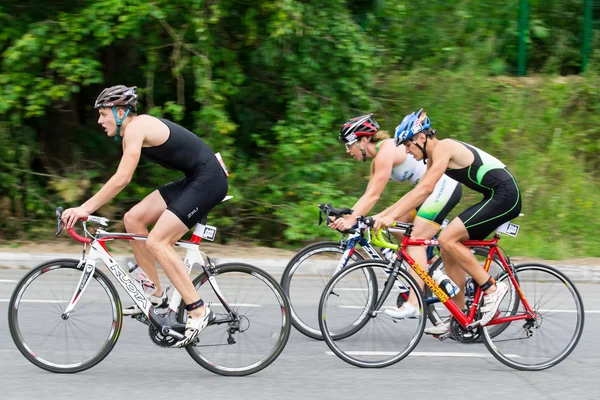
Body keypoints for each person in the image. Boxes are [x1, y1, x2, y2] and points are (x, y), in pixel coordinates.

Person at [61, 85, 229, 347]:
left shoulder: (136, 127)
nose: (99, 120)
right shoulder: (132, 132)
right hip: (195, 178)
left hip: (209, 180)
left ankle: (198, 309)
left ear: (119, 112)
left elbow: (122, 179)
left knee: (158, 242)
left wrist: (85, 208)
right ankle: (156, 295)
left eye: (103, 113)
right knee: (134, 218)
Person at [373, 109, 521, 334]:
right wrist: (386, 215)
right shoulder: (433, 156)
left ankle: (492, 288)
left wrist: (390, 216)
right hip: (494, 196)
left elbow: (425, 189)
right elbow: (418, 196)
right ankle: (459, 317)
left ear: (421, 138)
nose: (407, 152)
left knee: (447, 239)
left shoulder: (444, 148)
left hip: (505, 196)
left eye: (408, 145)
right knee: (447, 249)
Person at [328, 113, 462, 319]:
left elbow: (374, 195)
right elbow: (367, 195)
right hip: (426, 192)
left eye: (349, 144)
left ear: (364, 140)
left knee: (413, 240)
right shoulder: (377, 161)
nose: (347, 151)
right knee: (392, 227)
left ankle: (414, 302)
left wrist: (352, 220)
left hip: (441, 187)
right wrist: (349, 217)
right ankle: (432, 266)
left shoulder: (386, 151)